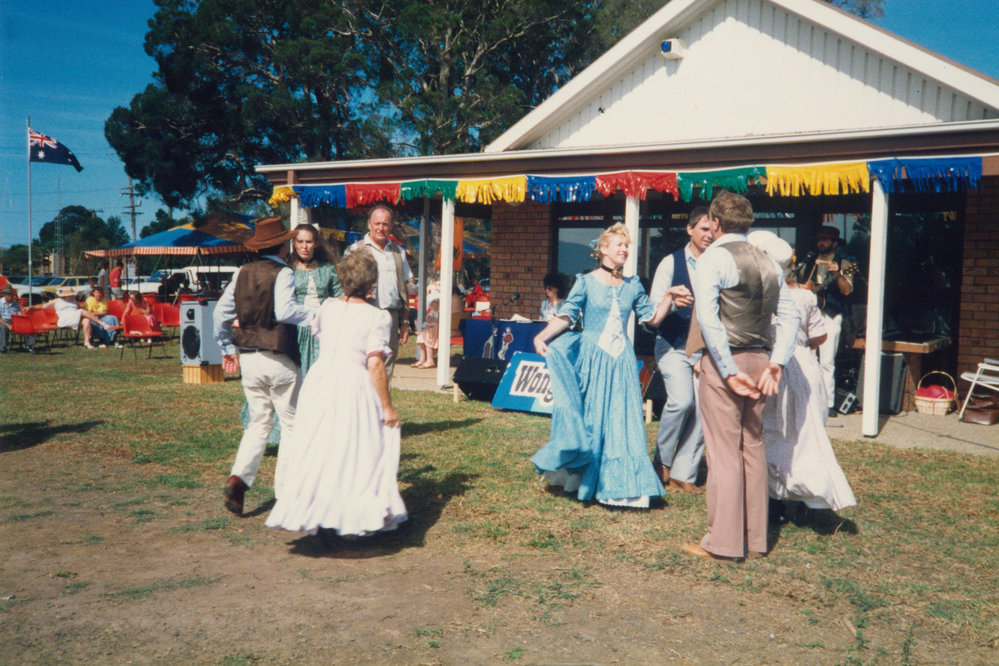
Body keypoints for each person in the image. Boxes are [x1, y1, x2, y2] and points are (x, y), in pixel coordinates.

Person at [681, 191, 798, 562]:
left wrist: (728, 372)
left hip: (726, 361)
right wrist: (777, 362)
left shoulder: (713, 258)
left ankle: (723, 543)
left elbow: (709, 321)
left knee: (723, 451)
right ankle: (756, 539)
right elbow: (791, 315)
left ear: (715, 223)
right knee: (753, 444)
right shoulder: (768, 261)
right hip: (762, 360)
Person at [530, 223, 676, 508]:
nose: (624, 250)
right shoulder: (584, 282)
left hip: (621, 359)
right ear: (603, 250)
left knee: (623, 419)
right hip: (592, 357)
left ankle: (624, 487)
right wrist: (541, 336)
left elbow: (652, 319)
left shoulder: (633, 285)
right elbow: (567, 316)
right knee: (592, 417)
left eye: (626, 246)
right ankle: (583, 478)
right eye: (619, 245)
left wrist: (669, 298)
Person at [265, 249, 407, 537]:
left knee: (321, 446)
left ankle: (322, 511)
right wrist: (387, 406)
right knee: (354, 447)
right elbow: (375, 363)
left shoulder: (327, 307)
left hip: (319, 381)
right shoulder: (377, 317)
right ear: (370, 282)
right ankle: (347, 514)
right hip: (352, 383)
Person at [748, 231, 856, 515]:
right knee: (803, 434)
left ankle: (773, 497)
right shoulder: (804, 298)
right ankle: (800, 497)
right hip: (803, 366)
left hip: (772, 365)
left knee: (773, 429)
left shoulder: (756, 297)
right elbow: (818, 338)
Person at [213, 217, 314, 516]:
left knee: (258, 423)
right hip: (279, 355)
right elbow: (285, 310)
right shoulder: (283, 272)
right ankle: (287, 494)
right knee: (291, 423)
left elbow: (220, 314)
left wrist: (226, 347)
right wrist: (315, 316)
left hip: (250, 357)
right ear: (283, 246)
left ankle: (239, 478)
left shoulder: (241, 272)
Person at [647, 207, 714, 494]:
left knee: (703, 410)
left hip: (706, 350)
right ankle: (662, 458)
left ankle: (683, 472)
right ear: (689, 230)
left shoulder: (719, 264)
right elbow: (652, 311)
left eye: (713, 230)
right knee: (682, 402)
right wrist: (674, 302)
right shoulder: (669, 263)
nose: (709, 235)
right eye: (703, 229)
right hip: (672, 345)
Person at [346, 205, 412, 381]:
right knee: (363, 364)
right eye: (377, 223)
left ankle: (382, 406)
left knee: (387, 366)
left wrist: (405, 322)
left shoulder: (399, 252)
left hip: (391, 316)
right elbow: (345, 287)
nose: (380, 228)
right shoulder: (355, 250)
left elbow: (404, 290)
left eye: (385, 224)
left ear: (390, 226)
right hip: (364, 315)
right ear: (369, 224)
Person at [797, 225, 854, 418]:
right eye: (819, 239)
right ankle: (809, 399)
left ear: (834, 243)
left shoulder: (844, 261)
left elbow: (847, 290)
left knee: (827, 361)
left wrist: (839, 274)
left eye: (825, 240)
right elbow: (800, 283)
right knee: (808, 358)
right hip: (810, 314)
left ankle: (828, 403)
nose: (821, 243)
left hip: (830, 314)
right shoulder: (810, 258)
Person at [289, 224, 343, 373]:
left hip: (322, 328)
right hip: (294, 329)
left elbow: (339, 297)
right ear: (294, 243)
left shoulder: (328, 269)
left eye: (309, 242)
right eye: (300, 242)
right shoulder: (288, 270)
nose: (304, 246)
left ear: (316, 243)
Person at [27, 286, 116, 348]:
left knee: (86, 321)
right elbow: (43, 306)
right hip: (65, 319)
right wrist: (31, 307)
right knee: (81, 312)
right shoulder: (57, 301)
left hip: (74, 317)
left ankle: (87, 342)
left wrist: (87, 311)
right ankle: (102, 324)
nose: (73, 295)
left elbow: (80, 308)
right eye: (71, 294)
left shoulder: (73, 301)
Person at [1, 285, 34, 353]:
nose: (10, 295)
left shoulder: (16, 304)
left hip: (15, 321)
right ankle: (3, 347)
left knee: (27, 326)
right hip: (3, 321)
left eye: (11, 294)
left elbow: (20, 315)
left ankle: (29, 346)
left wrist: (21, 323)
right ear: (4, 294)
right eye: (8, 294)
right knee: (3, 327)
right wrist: (8, 325)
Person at [413, 295, 439, 369]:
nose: (435, 307)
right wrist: (429, 319)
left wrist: (432, 320)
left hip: (435, 328)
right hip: (429, 327)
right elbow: (428, 320)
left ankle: (430, 360)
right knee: (421, 338)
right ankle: (422, 359)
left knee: (428, 337)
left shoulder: (440, 313)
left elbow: (439, 321)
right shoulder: (431, 312)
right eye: (434, 306)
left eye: (437, 306)